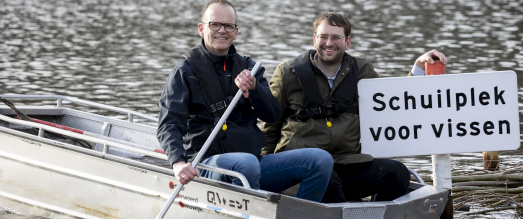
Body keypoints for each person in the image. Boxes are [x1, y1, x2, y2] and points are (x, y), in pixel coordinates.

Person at [261, 12, 448, 203]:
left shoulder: (362, 69)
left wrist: (418, 66)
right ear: (314, 38)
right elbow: (270, 126)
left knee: (397, 173)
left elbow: (391, 104)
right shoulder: (287, 72)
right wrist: (262, 175)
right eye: (323, 37)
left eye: (336, 37)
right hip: (302, 169)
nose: (329, 43)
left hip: (347, 163)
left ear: (347, 42)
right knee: (327, 180)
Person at [157, 0, 333, 202]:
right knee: (246, 163)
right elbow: (168, 124)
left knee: (321, 159)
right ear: (201, 28)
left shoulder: (250, 68)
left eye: (228, 26)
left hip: (254, 163)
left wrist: (255, 89)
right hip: (207, 164)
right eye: (215, 24)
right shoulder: (184, 72)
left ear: (236, 32)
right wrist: (178, 163)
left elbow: (273, 115)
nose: (222, 30)